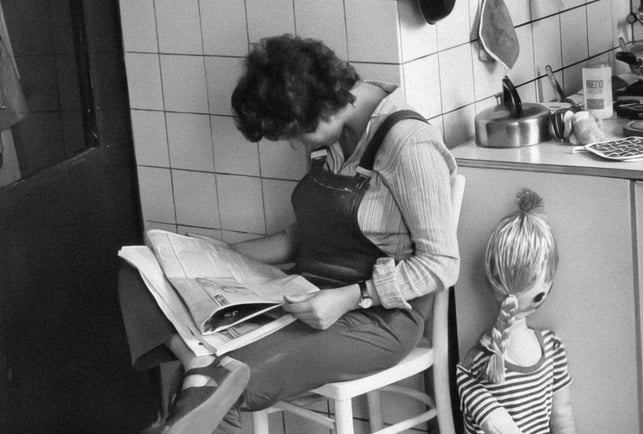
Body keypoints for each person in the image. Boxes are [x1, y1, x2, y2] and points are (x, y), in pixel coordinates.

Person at [118, 34, 459, 433]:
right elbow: (301, 238)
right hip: (302, 294)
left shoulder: (409, 144)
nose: (296, 145)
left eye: (297, 134)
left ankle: (198, 381)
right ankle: (197, 366)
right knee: (139, 273)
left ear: (323, 107)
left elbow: (442, 264)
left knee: (222, 382)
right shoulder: (329, 134)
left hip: (377, 318)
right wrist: (217, 255)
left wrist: (353, 296)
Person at [455, 189, 577, 434]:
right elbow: (562, 418)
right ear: (544, 290)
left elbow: (562, 418)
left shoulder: (481, 360)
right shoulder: (550, 349)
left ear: (491, 282)